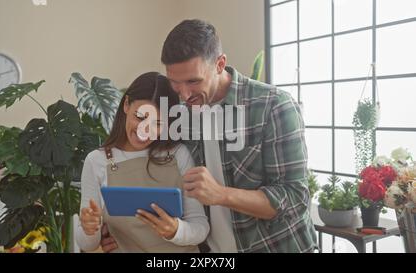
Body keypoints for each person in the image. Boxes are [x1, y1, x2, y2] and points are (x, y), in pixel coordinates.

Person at [102, 19, 317, 253]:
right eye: (175, 82)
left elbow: (294, 199)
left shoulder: (274, 106)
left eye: (193, 81)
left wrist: (221, 195)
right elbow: (151, 173)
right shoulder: (179, 115)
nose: (184, 94)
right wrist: (119, 230)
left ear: (219, 64)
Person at [76, 72, 210, 253]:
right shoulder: (96, 161)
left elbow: (201, 227)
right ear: (126, 105)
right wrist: (89, 228)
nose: (144, 130)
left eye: (157, 123)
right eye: (140, 117)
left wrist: (175, 230)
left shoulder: (179, 154)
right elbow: (87, 244)